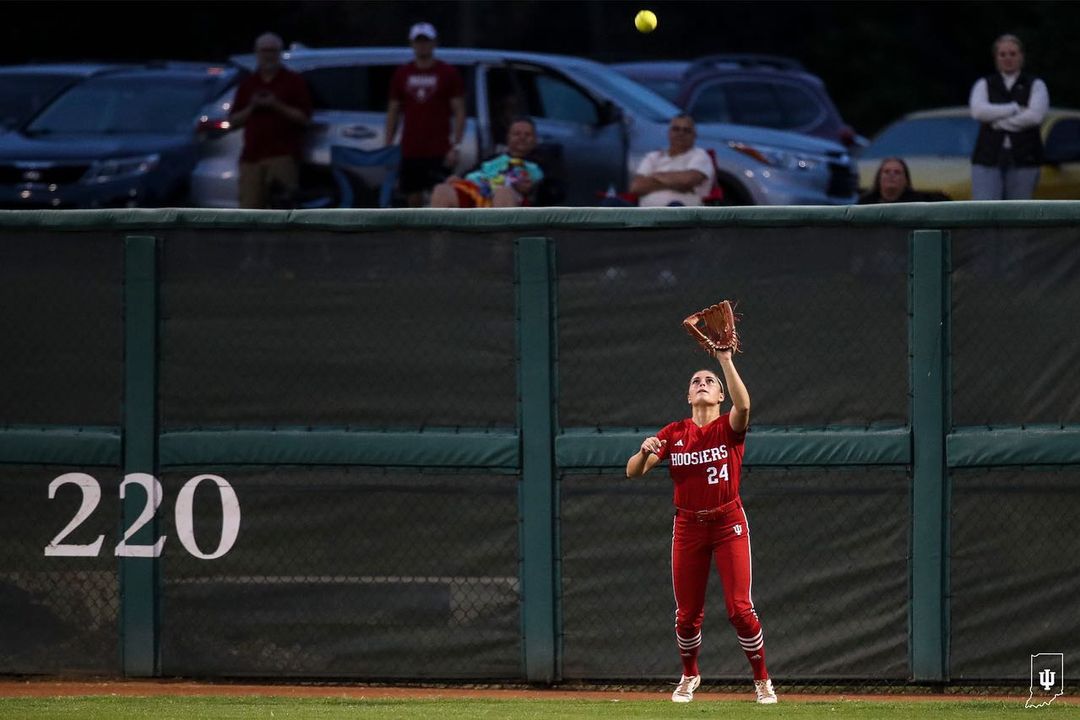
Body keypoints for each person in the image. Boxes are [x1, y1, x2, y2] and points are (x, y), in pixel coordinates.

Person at [626, 348, 777, 705]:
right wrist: (645, 450)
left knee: (740, 609)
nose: (702, 384)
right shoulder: (675, 432)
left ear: (720, 394)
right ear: (688, 396)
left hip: (728, 522)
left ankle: (762, 679)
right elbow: (633, 471)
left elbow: (744, 408)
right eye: (696, 381)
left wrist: (725, 360)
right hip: (689, 526)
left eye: (709, 381)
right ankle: (689, 674)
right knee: (687, 615)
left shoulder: (728, 425)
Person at [385, 22, 466, 207]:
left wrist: (457, 145)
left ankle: (439, 234)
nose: (422, 45)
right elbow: (393, 110)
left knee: (440, 193)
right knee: (412, 195)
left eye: (426, 41)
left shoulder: (448, 73)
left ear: (434, 43)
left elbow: (459, 110)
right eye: (418, 41)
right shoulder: (402, 73)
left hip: (439, 147)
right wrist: (389, 142)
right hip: (411, 147)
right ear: (411, 44)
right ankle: (416, 234)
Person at [228, 32, 313, 209]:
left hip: (282, 156)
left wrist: (276, 104)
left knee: (284, 208)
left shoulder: (293, 82)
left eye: (273, 51)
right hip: (252, 157)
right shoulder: (248, 84)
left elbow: (304, 118)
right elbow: (233, 121)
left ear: (280, 53)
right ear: (257, 53)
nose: (268, 55)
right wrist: (252, 107)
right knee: (249, 209)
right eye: (264, 50)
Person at [968, 34, 1049, 200]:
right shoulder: (984, 84)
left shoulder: (1036, 84)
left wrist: (996, 122)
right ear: (996, 57)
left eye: (1012, 54)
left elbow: (1035, 116)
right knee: (985, 209)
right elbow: (978, 111)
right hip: (988, 158)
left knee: (1018, 212)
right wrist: (1014, 108)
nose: (1008, 58)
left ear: (1021, 56)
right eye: (1003, 54)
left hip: (1025, 158)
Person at [430, 117, 543, 208]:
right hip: (477, 194)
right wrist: (456, 178)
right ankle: (439, 236)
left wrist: (530, 188)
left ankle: (502, 236)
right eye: (517, 134)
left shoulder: (542, 162)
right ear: (508, 138)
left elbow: (549, 188)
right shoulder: (493, 159)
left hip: (511, 198)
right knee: (442, 190)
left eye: (527, 134)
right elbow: (468, 174)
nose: (522, 138)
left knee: (502, 193)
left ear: (535, 139)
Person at [627, 114, 715, 207]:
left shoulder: (700, 155)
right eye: (676, 129)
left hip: (681, 212)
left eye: (686, 130)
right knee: (612, 203)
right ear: (669, 132)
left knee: (675, 207)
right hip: (646, 215)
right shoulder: (654, 156)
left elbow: (687, 181)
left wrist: (655, 176)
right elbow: (636, 187)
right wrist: (678, 184)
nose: (681, 133)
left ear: (694, 135)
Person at [858, 157, 951, 204]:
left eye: (897, 172)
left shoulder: (917, 203)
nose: (891, 175)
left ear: (906, 180)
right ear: (878, 178)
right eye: (886, 171)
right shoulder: (865, 203)